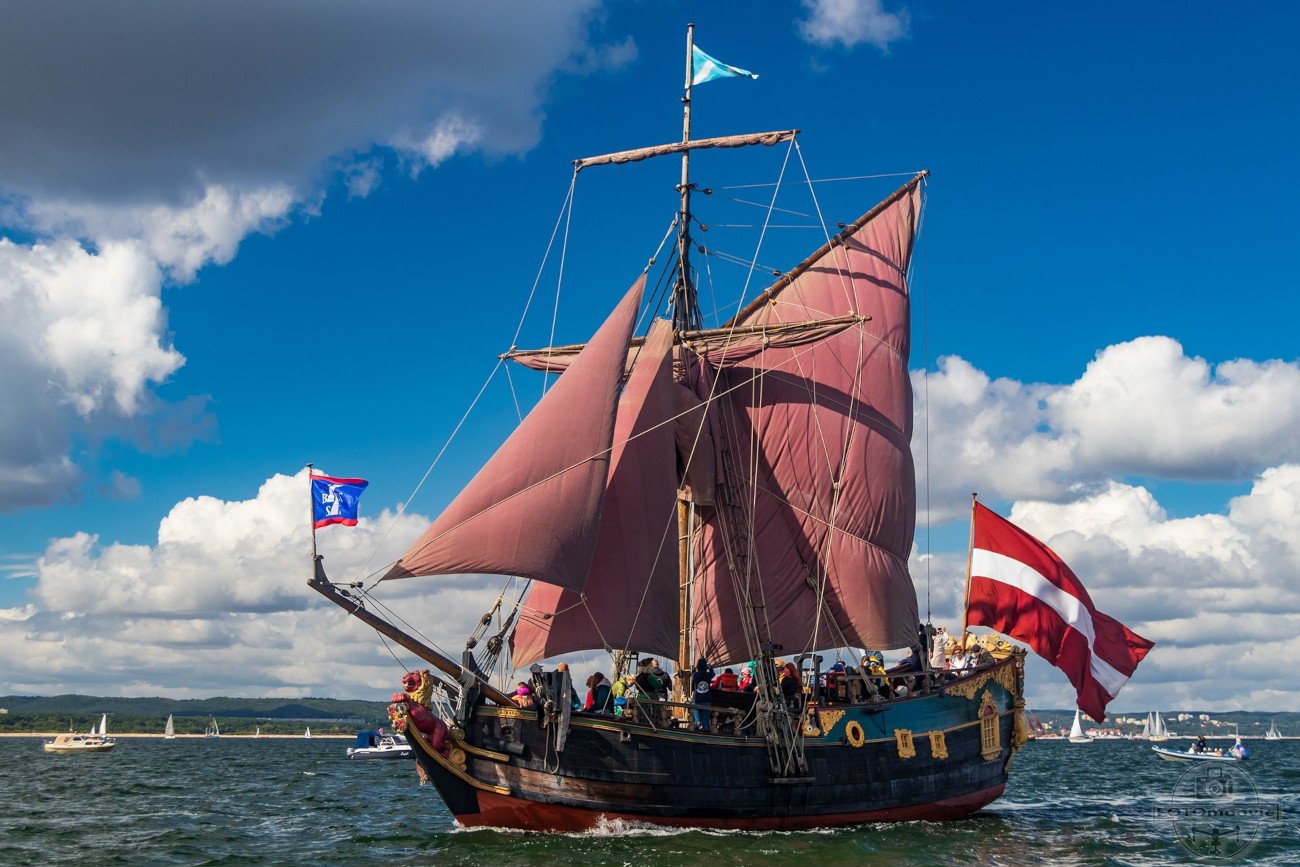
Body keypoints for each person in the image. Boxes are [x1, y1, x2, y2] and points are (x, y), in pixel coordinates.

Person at [691, 658, 715, 731]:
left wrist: (694, 668)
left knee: (695, 710)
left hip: (697, 699)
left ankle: (698, 723)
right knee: (706, 719)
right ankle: (706, 731)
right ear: (705, 666)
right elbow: (713, 674)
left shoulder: (695, 675)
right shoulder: (708, 675)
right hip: (706, 699)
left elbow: (692, 677)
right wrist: (710, 667)